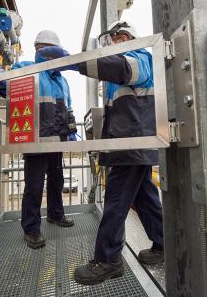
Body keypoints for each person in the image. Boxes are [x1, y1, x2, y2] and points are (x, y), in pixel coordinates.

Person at [73, 20, 164, 285]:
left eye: (110, 42)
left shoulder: (139, 56)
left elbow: (122, 68)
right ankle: (162, 243)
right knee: (145, 196)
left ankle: (108, 260)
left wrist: (78, 62)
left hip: (131, 144)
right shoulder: (128, 62)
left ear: (123, 36)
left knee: (116, 201)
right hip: (131, 143)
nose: (108, 48)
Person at [0, 30, 76, 249]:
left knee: (57, 180)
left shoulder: (62, 81)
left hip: (57, 140)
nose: (47, 55)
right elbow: (8, 88)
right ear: (38, 50)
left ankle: (56, 214)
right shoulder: (25, 68)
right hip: (34, 139)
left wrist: (70, 129)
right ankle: (31, 229)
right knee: (34, 185)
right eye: (42, 49)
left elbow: (68, 108)